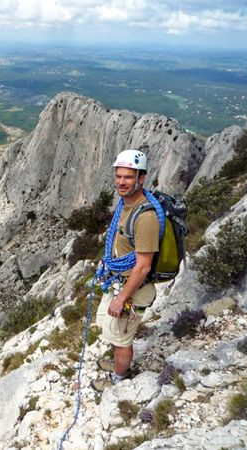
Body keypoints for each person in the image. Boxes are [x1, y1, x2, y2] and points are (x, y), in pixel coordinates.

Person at [90, 149, 160, 391]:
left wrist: (122, 298)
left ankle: (118, 380)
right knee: (109, 328)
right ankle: (117, 363)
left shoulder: (146, 217)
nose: (121, 181)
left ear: (141, 178)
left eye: (128, 177)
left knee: (121, 339)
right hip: (118, 280)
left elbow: (143, 266)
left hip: (133, 288)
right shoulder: (126, 204)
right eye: (119, 176)